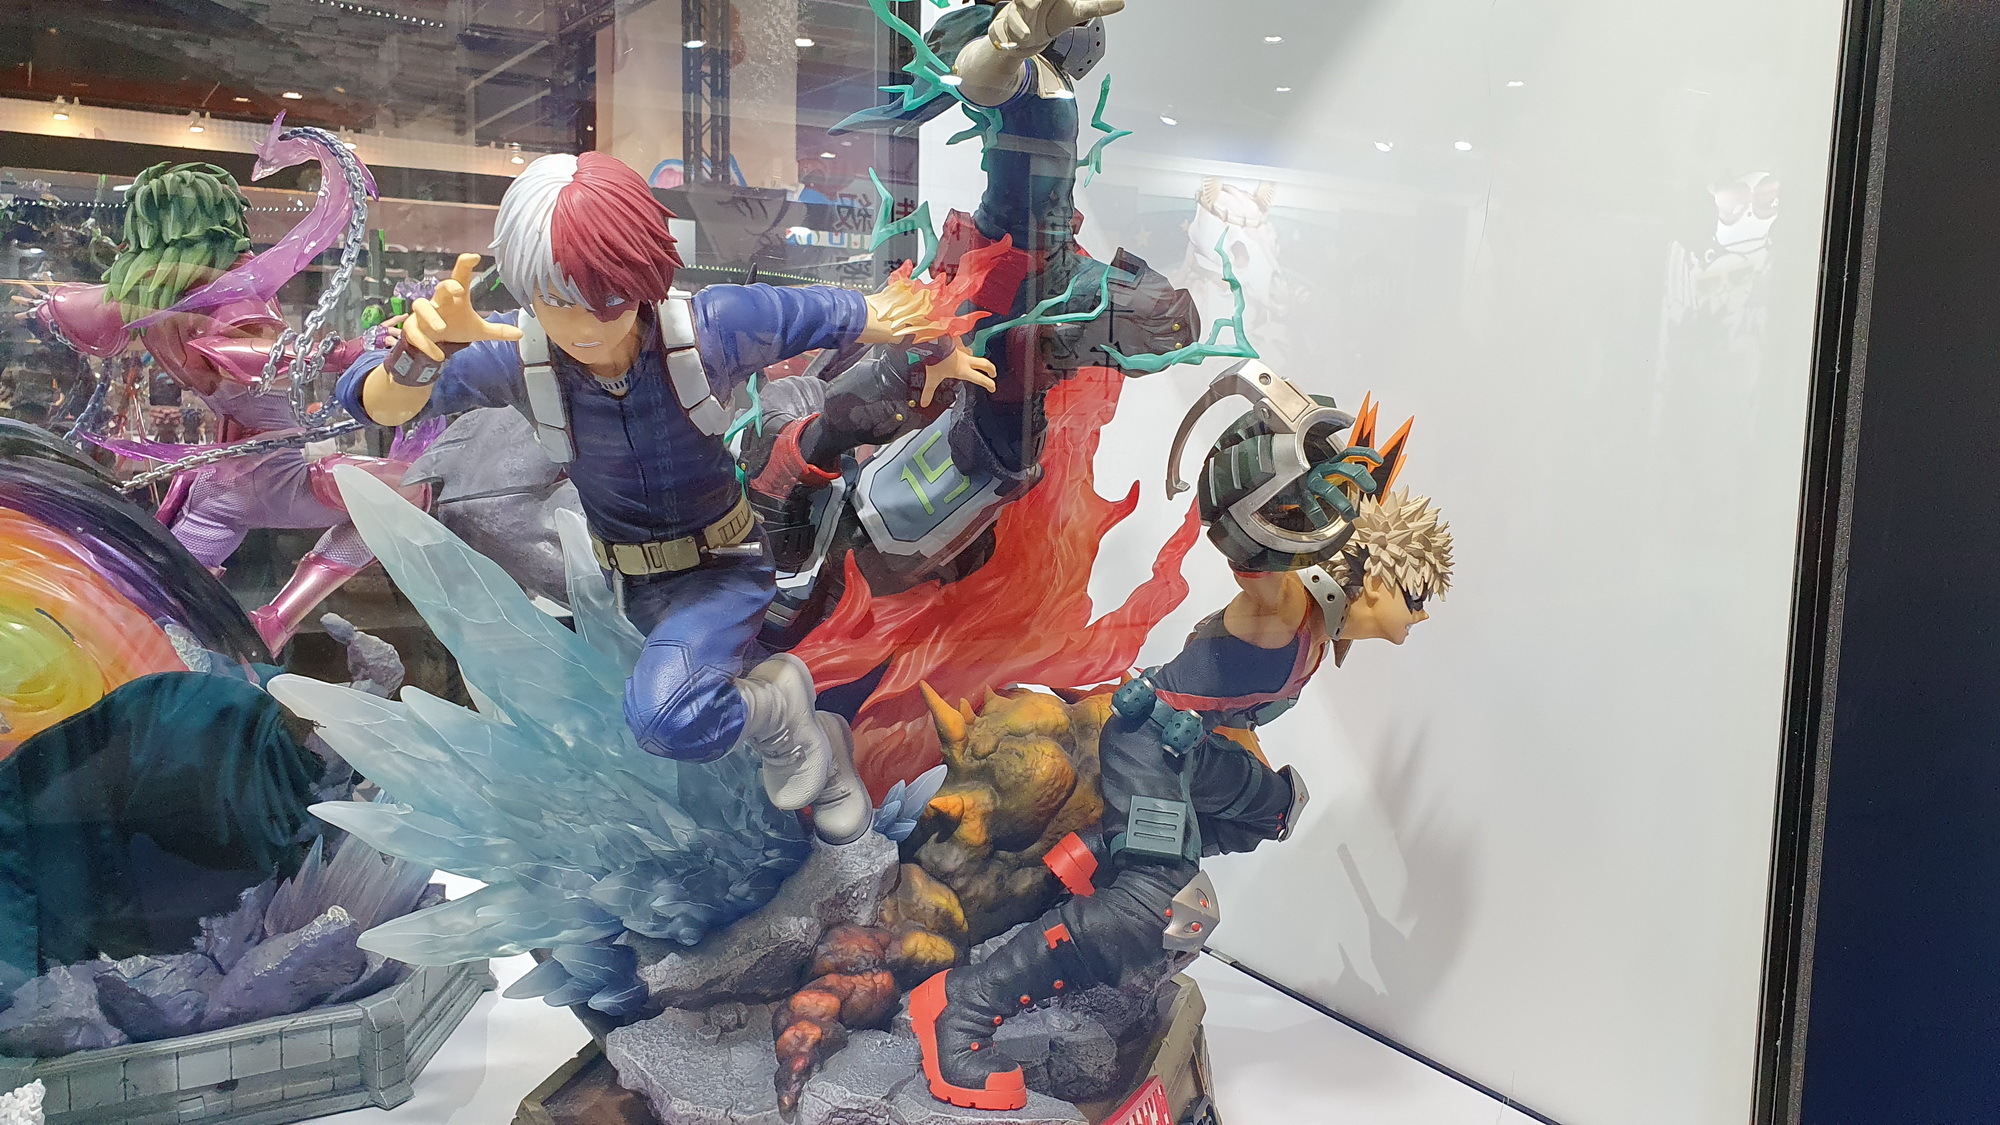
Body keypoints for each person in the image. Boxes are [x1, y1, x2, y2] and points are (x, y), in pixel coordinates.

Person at [333, 151, 993, 845]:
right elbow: (372, 402)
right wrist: (418, 355)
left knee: (667, 718)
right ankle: (804, 738)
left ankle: (786, 721)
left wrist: (940, 357)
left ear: (642, 276)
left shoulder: (713, 328)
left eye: (607, 299)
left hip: (719, 570)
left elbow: (871, 314)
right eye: (557, 301)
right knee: (674, 718)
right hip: (619, 582)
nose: (584, 326)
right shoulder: (517, 356)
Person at [911, 376, 1455, 1111]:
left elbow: (1235, 708)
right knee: (1162, 910)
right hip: (1149, 745)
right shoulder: (1282, 609)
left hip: (1193, 748)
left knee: (1273, 806)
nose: (1419, 617)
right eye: (1414, 597)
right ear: (1373, 577)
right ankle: (967, 1005)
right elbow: (1253, 556)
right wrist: (1278, 482)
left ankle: (1105, 850)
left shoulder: (1313, 632)